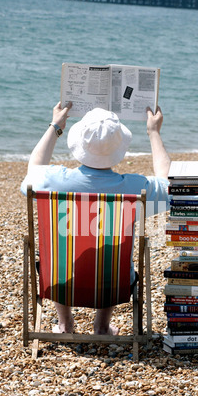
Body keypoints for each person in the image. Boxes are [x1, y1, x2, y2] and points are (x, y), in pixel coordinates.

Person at [21, 101, 171, 336]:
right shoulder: (134, 188)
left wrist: (55, 126)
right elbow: (169, 185)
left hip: (58, 280)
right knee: (107, 251)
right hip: (113, 283)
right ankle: (101, 327)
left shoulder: (53, 181)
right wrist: (154, 132)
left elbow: (33, 168)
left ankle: (64, 324)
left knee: (63, 253)